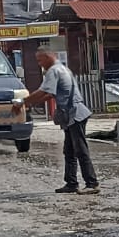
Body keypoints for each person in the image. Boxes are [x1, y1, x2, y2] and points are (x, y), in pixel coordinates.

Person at [20, 49, 98, 195]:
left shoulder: (54, 70)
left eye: (40, 60)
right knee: (69, 151)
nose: (40, 64)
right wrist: (30, 103)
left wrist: (22, 102)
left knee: (80, 150)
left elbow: (43, 91)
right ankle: (71, 183)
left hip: (75, 113)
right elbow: (50, 94)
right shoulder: (62, 69)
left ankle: (92, 183)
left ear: (49, 56)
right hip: (70, 114)